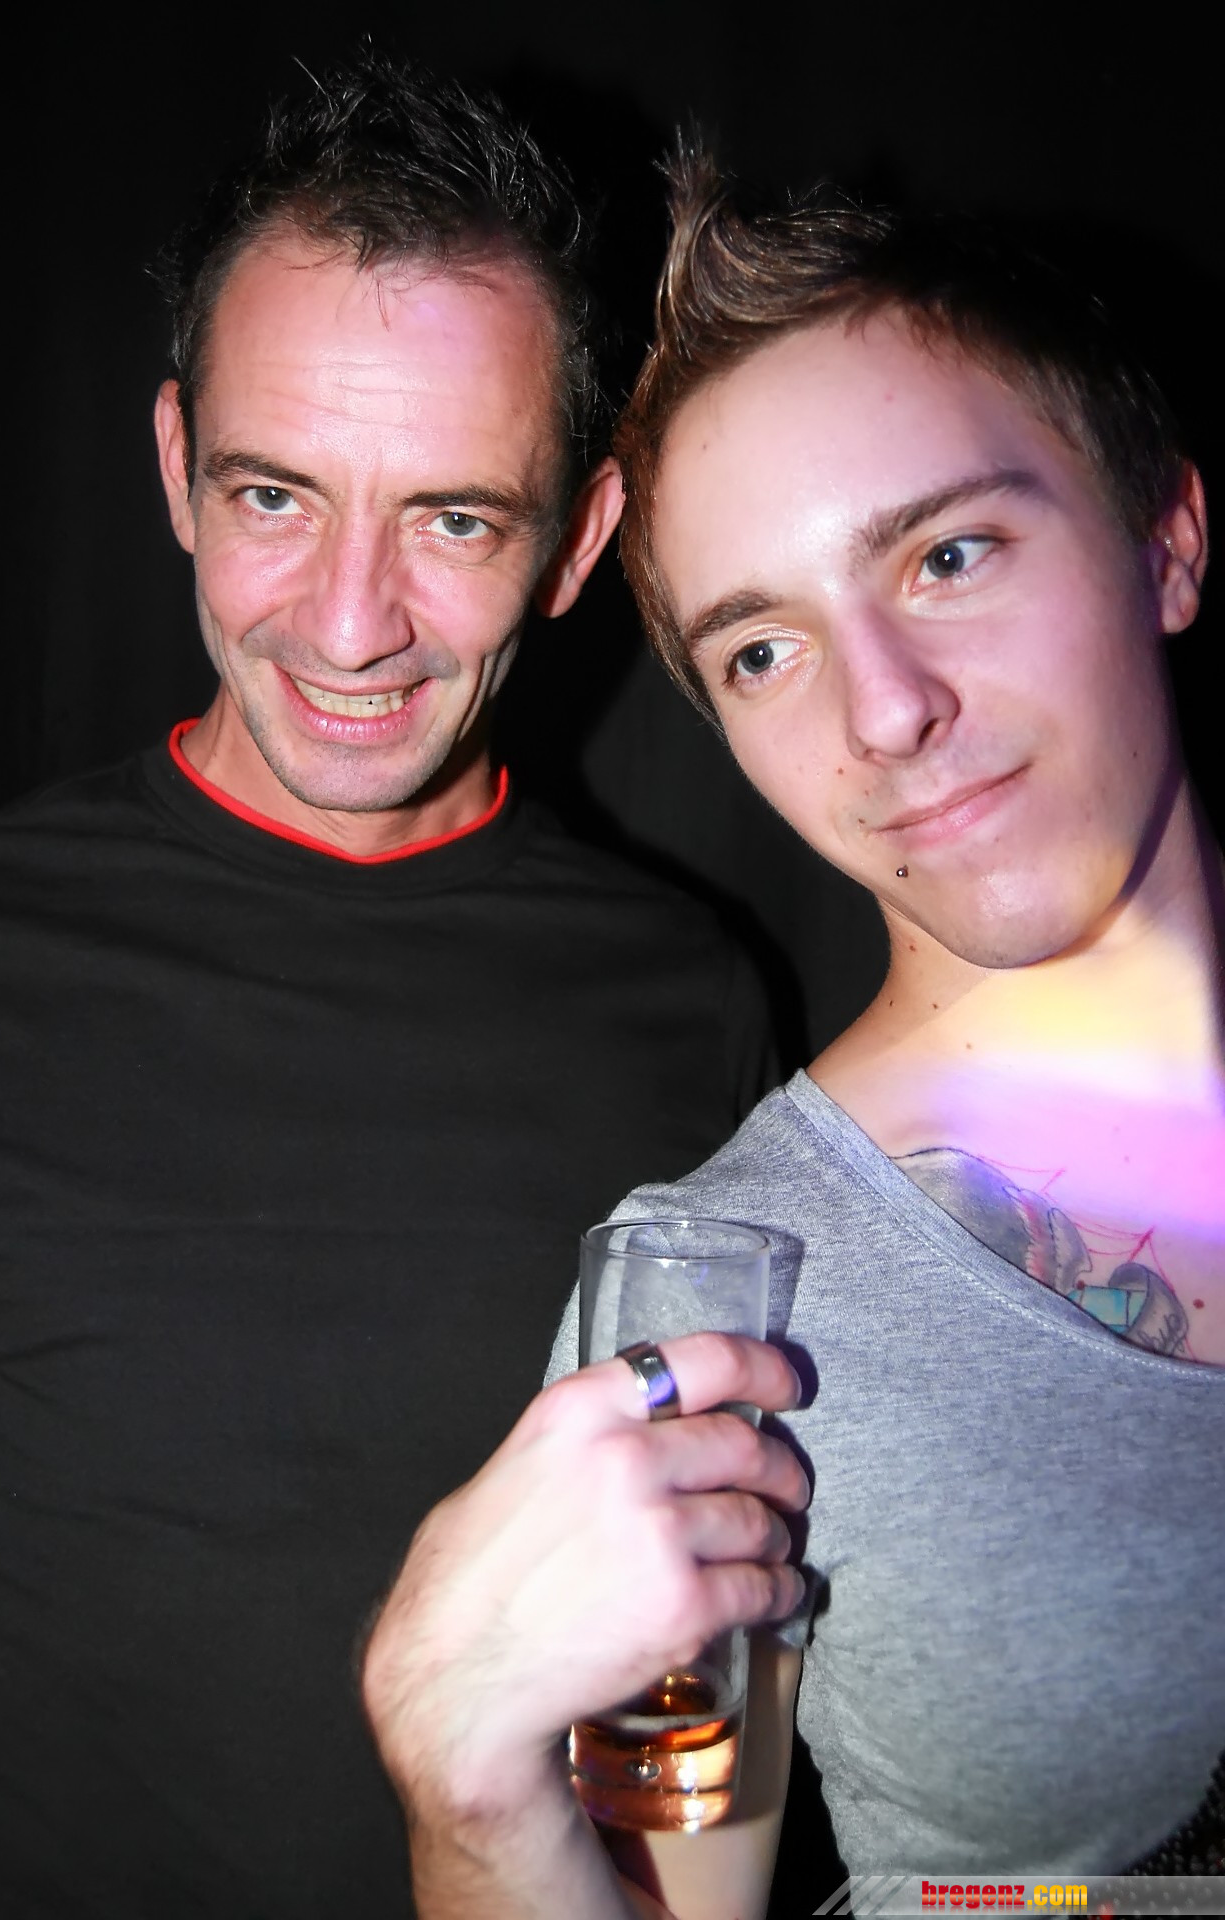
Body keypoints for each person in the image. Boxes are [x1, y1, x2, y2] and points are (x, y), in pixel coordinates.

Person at [0, 74, 779, 1919]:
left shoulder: (694, 1000)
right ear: (176, 465)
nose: (348, 624)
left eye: (455, 521)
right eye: (275, 495)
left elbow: (709, 1658)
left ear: (578, 542)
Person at [362, 152, 1225, 1917]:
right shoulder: (712, 1310)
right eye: (763, 650)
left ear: (1166, 539)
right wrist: (472, 1799)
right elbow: (658, 1887)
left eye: (950, 554)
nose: (885, 711)